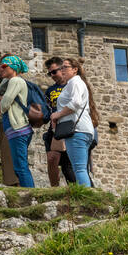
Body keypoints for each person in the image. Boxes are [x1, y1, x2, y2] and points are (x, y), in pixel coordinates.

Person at [48, 57, 97, 186]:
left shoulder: (75, 82)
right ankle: (86, 197)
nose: (62, 70)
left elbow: (75, 103)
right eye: (61, 67)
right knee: (80, 168)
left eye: (65, 67)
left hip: (77, 130)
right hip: (82, 129)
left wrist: (58, 114)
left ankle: (86, 199)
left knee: (79, 169)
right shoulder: (75, 83)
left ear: (75, 69)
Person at [0, 55, 35, 187]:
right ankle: (29, 192)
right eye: (0, 66)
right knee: (19, 165)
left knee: (20, 166)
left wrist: (1, 106)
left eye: (4, 66)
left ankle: (30, 194)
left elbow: (5, 103)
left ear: (14, 67)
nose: (1, 69)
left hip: (18, 128)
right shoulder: (11, 81)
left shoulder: (15, 81)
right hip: (16, 129)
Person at [43, 56, 75, 186]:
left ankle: (74, 189)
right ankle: (54, 189)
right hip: (55, 128)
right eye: (50, 73)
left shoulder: (73, 85)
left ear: (62, 69)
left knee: (68, 164)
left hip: (69, 126)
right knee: (52, 159)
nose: (52, 75)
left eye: (54, 72)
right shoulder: (50, 90)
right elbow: (47, 109)